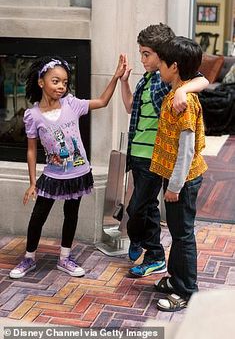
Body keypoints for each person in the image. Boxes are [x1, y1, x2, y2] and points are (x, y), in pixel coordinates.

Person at [9, 55, 126, 279]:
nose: (61, 86)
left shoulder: (71, 104)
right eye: (55, 81)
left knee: (71, 215)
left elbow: (101, 101)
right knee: (38, 217)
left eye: (64, 82)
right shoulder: (32, 116)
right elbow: (32, 150)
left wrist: (116, 76)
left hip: (78, 173)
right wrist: (33, 182)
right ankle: (29, 258)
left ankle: (65, 258)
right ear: (41, 82)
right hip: (52, 175)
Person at [120, 24, 209, 277]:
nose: (142, 59)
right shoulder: (146, 79)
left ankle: (153, 252)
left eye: (146, 54)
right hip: (137, 152)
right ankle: (151, 251)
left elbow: (203, 79)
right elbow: (130, 108)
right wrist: (124, 82)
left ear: (164, 57)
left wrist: (183, 88)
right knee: (144, 208)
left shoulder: (166, 83)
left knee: (138, 208)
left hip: (155, 158)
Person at [150, 36, 208, 311]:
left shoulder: (183, 102)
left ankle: (187, 291)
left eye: (160, 64)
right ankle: (176, 279)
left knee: (183, 234)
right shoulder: (178, 92)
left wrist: (174, 185)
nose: (158, 68)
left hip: (181, 180)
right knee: (176, 230)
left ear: (173, 66)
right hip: (176, 178)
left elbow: (185, 150)